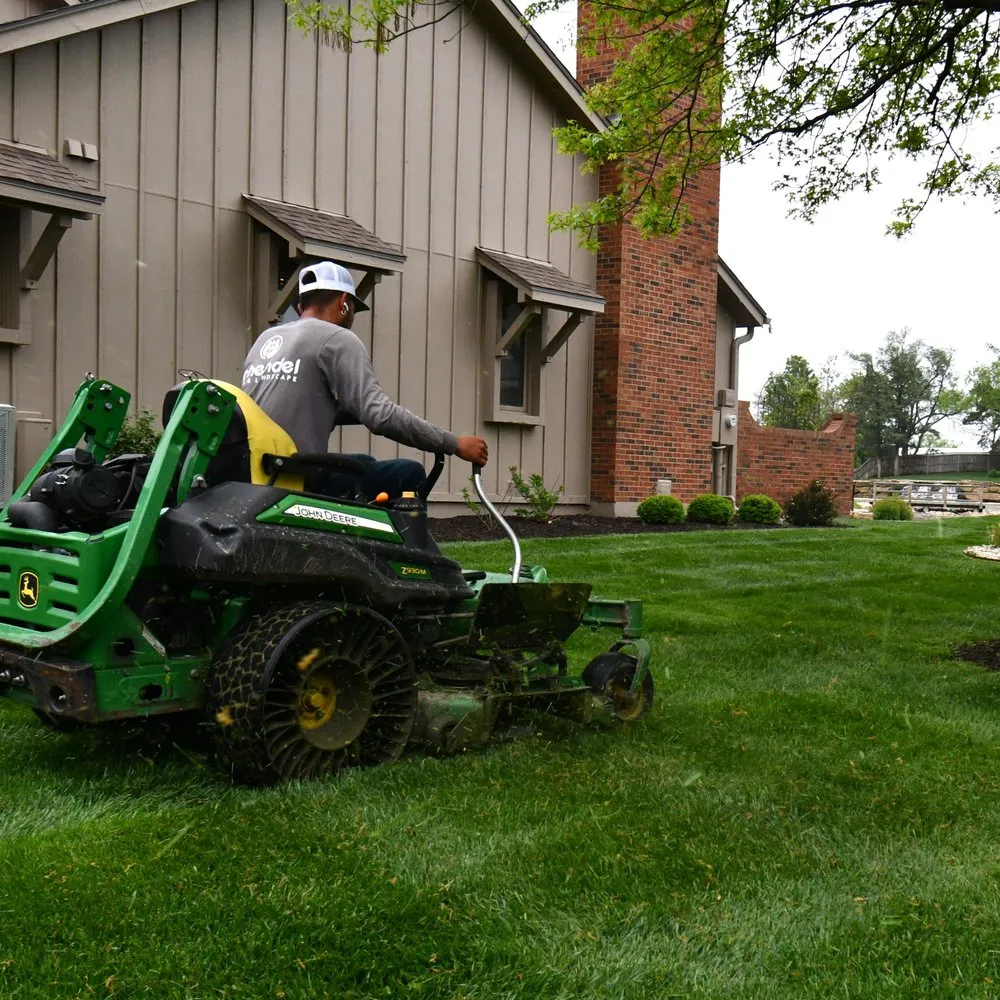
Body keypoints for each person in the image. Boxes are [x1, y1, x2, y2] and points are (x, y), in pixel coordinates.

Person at [241, 260, 488, 499]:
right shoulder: (337, 337)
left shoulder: (265, 340)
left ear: (299, 307)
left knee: (364, 463)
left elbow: (291, 405)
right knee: (409, 474)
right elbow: (379, 416)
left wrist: (347, 408)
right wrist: (454, 443)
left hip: (258, 472)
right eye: (354, 309)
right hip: (298, 477)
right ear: (343, 303)